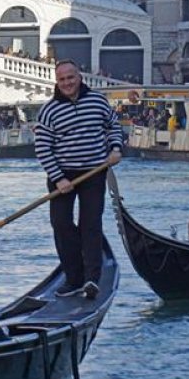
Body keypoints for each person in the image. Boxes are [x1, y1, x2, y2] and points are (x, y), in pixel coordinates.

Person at [35, 59, 122, 300]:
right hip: (62, 174)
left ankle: (91, 278)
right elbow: (43, 148)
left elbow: (113, 125)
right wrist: (59, 178)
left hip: (94, 171)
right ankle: (74, 276)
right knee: (61, 224)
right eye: (62, 79)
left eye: (70, 78)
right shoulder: (49, 110)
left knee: (90, 224)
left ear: (79, 77)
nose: (67, 83)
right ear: (57, 81)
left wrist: (115, 148)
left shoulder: (98, 101)